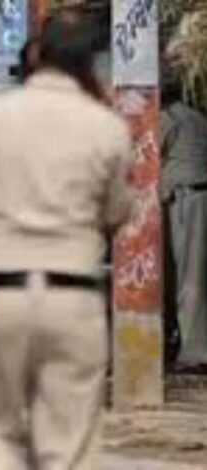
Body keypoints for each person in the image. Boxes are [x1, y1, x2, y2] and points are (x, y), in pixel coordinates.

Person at [0, 12, 135, 469]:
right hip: (74, 299)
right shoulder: (107, 126)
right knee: (69, 445)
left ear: (37, 55)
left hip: (2, 298)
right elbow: (115, 217)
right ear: (92, 61)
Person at [160, 75, 207, 371]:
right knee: (197, 274)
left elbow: (145, 154)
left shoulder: (168, 118)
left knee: (187, 278)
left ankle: (195, 353)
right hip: (199, 196)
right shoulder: (196, 117)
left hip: (186, 201)